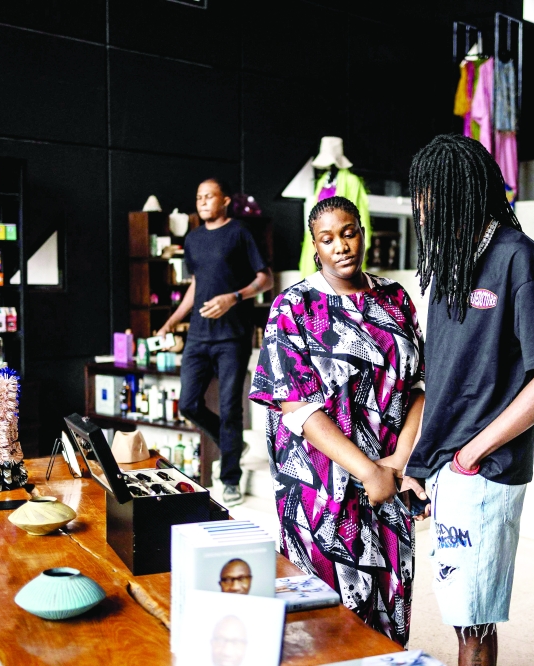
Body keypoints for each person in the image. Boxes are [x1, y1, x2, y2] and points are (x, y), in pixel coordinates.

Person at [404, 134, 534, 666]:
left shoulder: (519, 258)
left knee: (473, 626)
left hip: (483, 468)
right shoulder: (448, 262)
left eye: (434, 197)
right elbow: (445, 380)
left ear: (466, 192)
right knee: (460, 618)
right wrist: (421, 461)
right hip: (445, 466)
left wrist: (471, 453)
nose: (424, 211)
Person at [249, 195, 425, 646]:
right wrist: (368, 471)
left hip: (390, 479)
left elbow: (420, 385)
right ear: (315, 248)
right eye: (327, 239)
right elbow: (296, 405)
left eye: (348, 232)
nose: (341, 245)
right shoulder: (294, 306)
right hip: (321, 486)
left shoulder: (395, 298)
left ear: (362, 234)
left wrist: (398, 463)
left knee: (389, 602)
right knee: (328, 619)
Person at [156, 178, 273, 508]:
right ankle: (230, 443)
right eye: (198, 197)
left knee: (230, 408)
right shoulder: (192, 240)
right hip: (197, 335)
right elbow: (196, 285)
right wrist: (170, 321)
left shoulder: (239, 232)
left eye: (210, 196)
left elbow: (265, 279)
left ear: (224, 202)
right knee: (188, 405)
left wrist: (234, 297)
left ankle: (230, 478)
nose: (203, 201)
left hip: (231, 336)